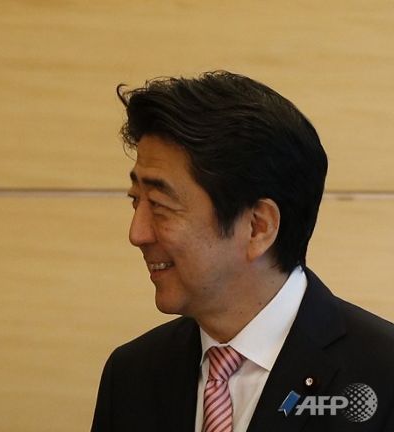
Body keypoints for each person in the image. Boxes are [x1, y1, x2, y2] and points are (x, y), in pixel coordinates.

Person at [91, 71, 394, 431]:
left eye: (159, 205)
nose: (136, 234)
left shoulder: (383, 374)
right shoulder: (131, 374)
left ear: (258, 227)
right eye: (135, 201)